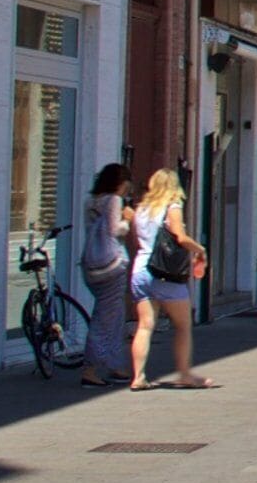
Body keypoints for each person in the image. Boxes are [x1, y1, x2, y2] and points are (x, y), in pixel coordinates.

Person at [127, 168, 215, 389]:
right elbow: (179, 236)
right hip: (164, 273)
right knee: (183, 325)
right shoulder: (172, 207)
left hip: (140, 270)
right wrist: (199, 249)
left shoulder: (142, 209)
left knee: (145, 326)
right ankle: (184, 373)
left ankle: (138, 376)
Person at [75, 163, 135, 388]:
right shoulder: (113, 200)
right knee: (105, 318)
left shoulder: (90, 201)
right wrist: (127, 219)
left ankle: (114, 364)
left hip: (91, 265)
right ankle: (90, 369)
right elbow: (115, 230)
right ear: (119, 183)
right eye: (125, 185)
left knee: (114, 315)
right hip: (111, 266)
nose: (126, 190)